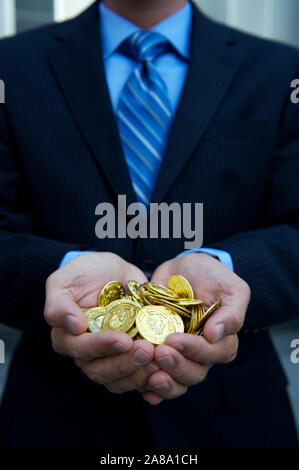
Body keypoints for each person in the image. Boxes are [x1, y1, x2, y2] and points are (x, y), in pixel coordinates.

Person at [0, 0, 298, 449]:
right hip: (54, 419)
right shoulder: (12, 67)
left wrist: (225, 269)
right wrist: (66, 273)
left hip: (234, 420)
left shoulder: (282, 72)